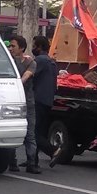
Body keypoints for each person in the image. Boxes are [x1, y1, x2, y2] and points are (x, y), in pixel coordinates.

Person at [7, 36, 40, 174]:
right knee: (11, 133)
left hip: (27, 102)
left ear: (21, 48)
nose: (10, 48)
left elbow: (25, 78)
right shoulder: (7, 62)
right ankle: (12, 162)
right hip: (12, 102)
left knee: (30, 134)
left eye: (13, 46)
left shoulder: (30, 62)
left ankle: (31, 163)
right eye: (10, 46)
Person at [32, 35, 61, 168]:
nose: (33, 48)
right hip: (48, 100)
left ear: (40, 47)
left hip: (38, 99)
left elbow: (29, 75)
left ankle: (52, 150)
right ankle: (33, 158)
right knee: (40, 131)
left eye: (34, 46)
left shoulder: (39, 60)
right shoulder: (52, 62)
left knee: (34, 132)